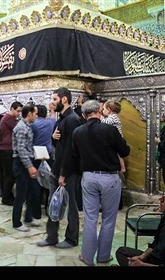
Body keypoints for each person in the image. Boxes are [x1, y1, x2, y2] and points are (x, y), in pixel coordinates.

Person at [71, 100, 130, 266]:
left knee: (90, 218)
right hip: (109, 178)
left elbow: (75, 155)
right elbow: (125, 151)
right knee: (108, 220)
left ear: (83, 115)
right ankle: (103, 256)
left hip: (88, 177)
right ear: (99, 110)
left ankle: (87, 257)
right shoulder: (109, 130)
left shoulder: (77, 132)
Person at [37, 87, 82, 249]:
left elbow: (72, 150)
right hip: (58, 169)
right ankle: (52, 237)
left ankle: (71, 239)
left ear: (64, 100)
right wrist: (52, 137)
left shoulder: (72, 119)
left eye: (55, 99)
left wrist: (63, 174)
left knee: (70, 206)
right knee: (53, 203)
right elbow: (60, 143)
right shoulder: (61, 118)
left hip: (68, 171)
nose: (52, 102)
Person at [115, 194, 165, 266]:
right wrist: (142, 257)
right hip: (153, 258)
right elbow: (155, 243)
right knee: (122, 252)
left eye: (164, 199)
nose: (160, 200)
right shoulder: (164, 218)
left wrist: (143, 265)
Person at [12, 104, 39, 232]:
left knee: (31, 191)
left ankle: (28, 218)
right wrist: (29, 167)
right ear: (30, 114)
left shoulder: (27, 127)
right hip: (21, 164)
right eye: (35, 113)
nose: (36, 116)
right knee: (21, 194)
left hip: (27, 161)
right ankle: (16, 222)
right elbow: (21, 150)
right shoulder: (22, 128)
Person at [0, 101, 23, 206]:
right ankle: (6, 197)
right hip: (7, 149)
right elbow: (18, 129)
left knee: (8, 174)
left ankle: (7, 195)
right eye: (17, 111)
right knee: (10, 175)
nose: (19, 113)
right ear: (12, 109)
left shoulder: (10, 118)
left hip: (6, 148)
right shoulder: (8, 118)